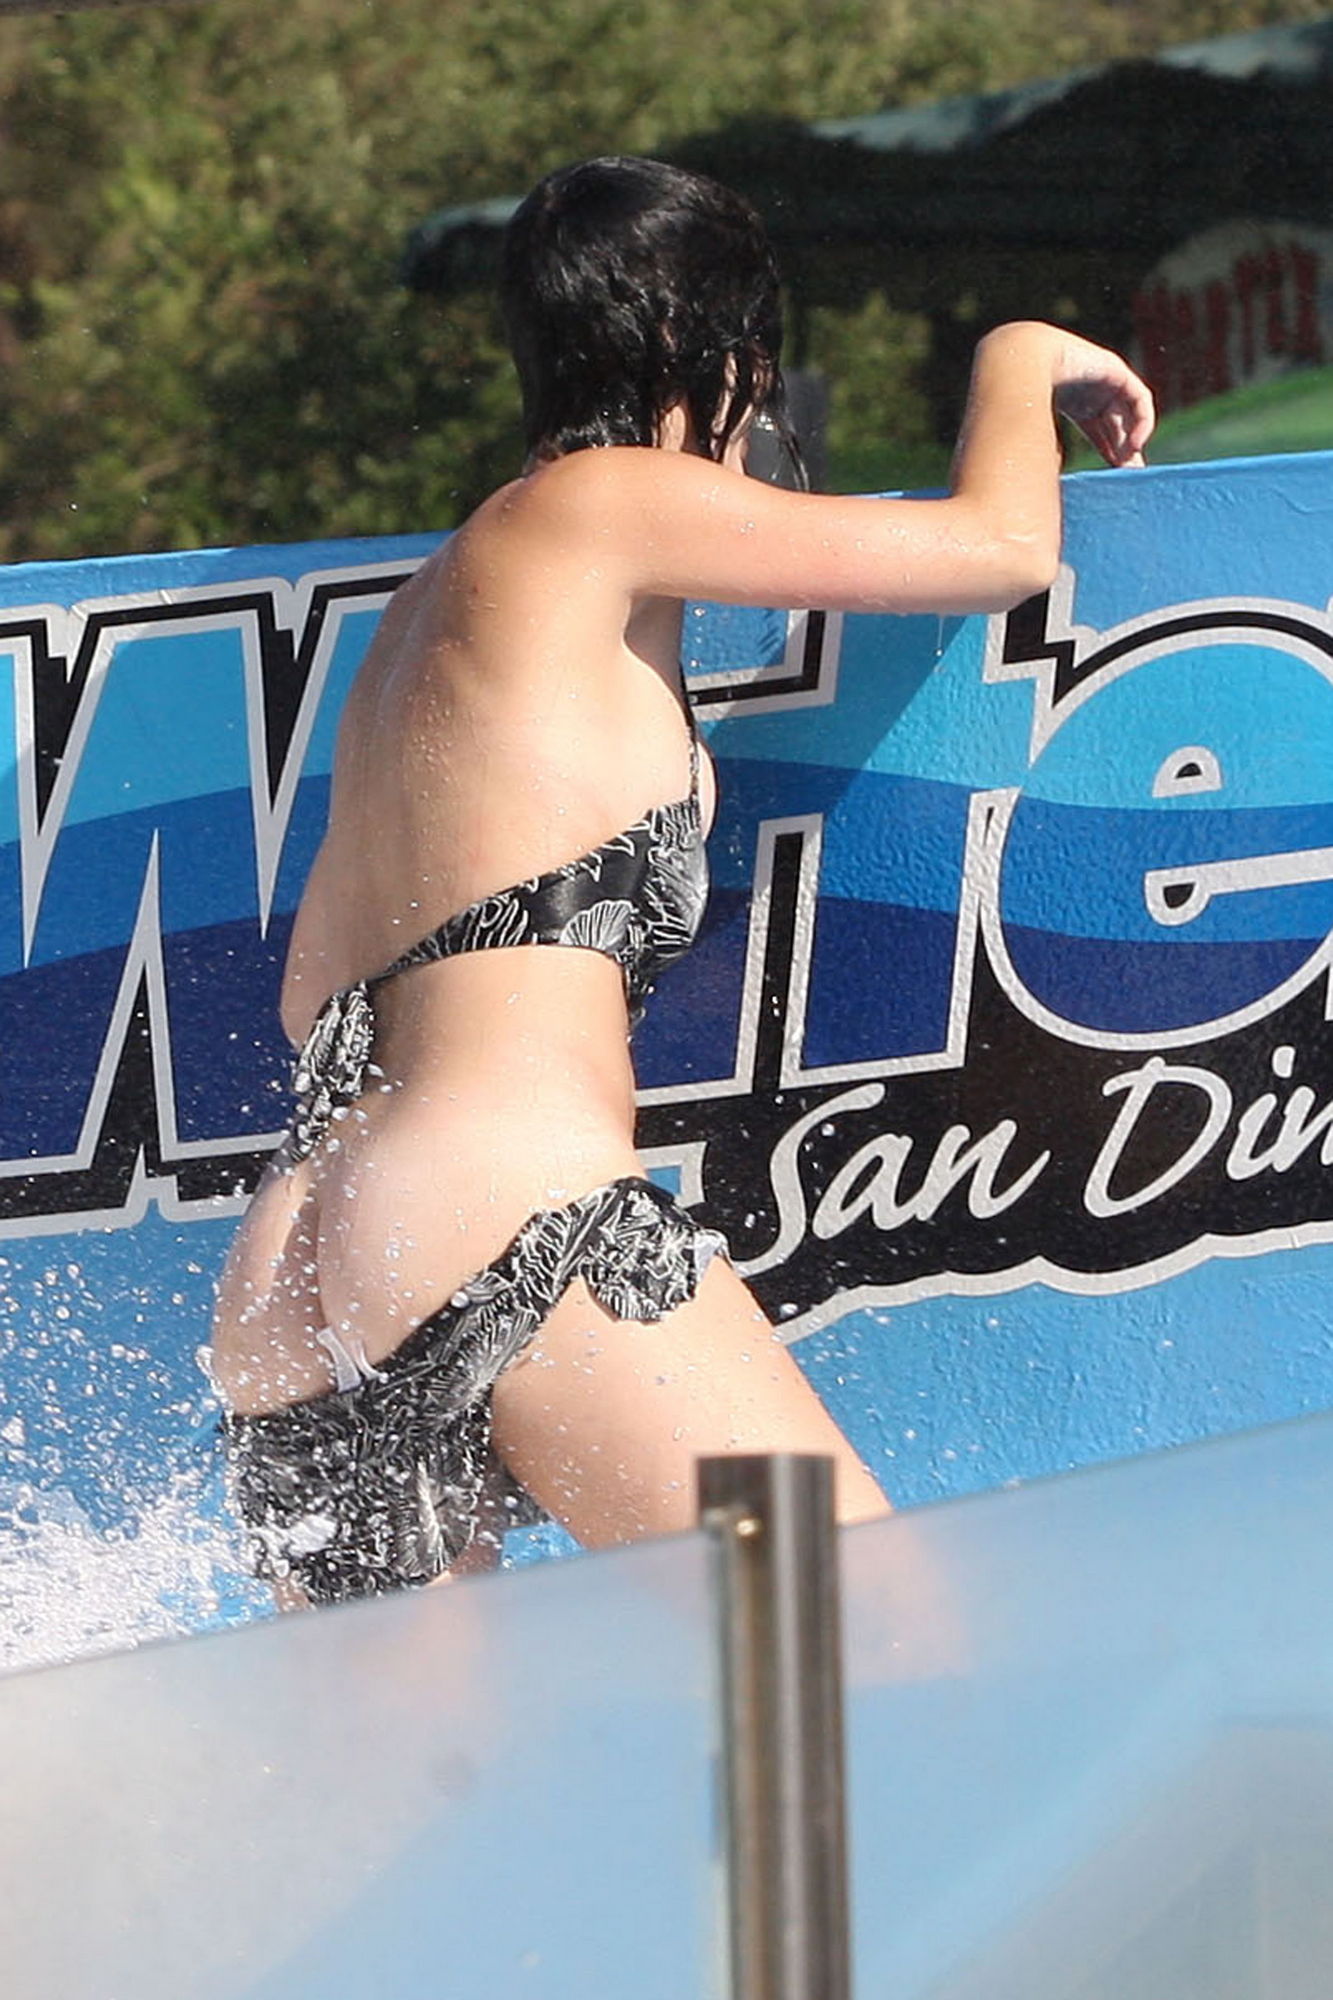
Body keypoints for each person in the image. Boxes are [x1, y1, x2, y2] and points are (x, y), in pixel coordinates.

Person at [210, 155, 1154, 1606]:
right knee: (862, 1656)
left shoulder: (425, 616)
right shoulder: (601, 500)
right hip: (500, 1198)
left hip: (300, 1256)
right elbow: (1001, 549)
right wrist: (1019, 355)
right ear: (708, 346)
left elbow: (312, 997)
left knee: (422, 1757)